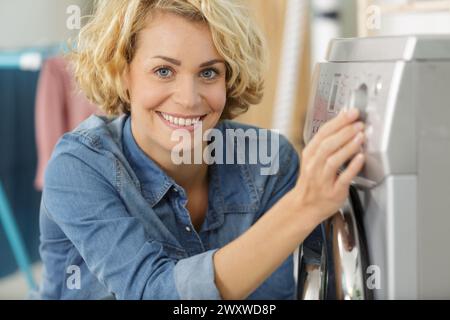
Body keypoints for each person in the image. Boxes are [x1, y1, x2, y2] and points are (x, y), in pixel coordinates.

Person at [39, 0, 365, 300]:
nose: (189, 98)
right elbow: (154, 292)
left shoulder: (270, 165)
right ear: (123, 74)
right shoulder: (79, 166)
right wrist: (302, 207)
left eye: (208, 72)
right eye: (163, 71)